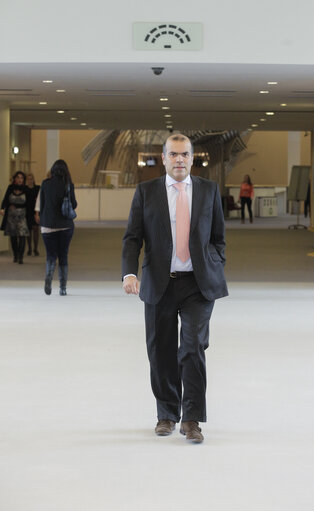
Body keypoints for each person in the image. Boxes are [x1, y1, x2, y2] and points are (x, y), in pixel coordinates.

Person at [122, 134, 228, 444]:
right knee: (161, 350)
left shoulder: (209, 191)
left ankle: (192, 419)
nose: (179, 159)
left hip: (197, 284)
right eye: (173, 154)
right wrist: (129, 272)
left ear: (192, 158)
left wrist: (214, 263)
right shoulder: (146, 191)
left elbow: (219, 237)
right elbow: (132, 237)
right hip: (159, 283)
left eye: (184, 154)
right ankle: (166, 414)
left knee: (192, 348)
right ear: (164, 158)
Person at [35, 159, 77, 296]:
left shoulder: (45, 184)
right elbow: (74, 205)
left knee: (51, 255)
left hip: (47, 225)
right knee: (63, 255)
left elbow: (42, 205)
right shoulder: (68, 185)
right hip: (65, 225)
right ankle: (62, 288)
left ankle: (48, 276)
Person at [0, 171, 30, 264]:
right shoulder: (10, 188)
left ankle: (21, 256)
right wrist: (3, 208)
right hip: (11, 216)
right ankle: (15, 254)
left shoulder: (26, 189)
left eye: (21, 178)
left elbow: (30, 203)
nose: (20, 179)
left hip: (22, 215)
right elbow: (5, 199)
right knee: (13, 237)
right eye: (18, 177)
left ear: (23, 180)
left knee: (22, 235)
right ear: (15, 179)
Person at [26, 172, 40, 256]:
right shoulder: (24, 189)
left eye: (31, 179)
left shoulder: (37, 188)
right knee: (28, 230)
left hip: (35, 211)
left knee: (35, 229)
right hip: (27, 211)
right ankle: (29, 248)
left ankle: (35, 248)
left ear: (33, 179)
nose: (30, 180)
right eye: (28, 179)